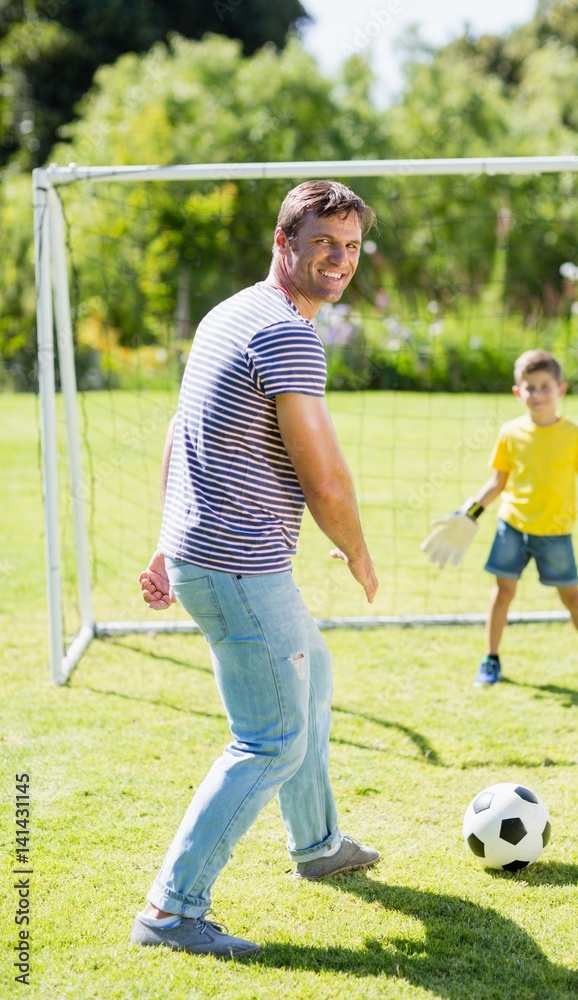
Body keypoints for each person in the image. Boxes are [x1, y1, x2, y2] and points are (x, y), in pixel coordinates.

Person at [131, 181, 380, 958]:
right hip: (240, 569)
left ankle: (317, 844)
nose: (339, 262)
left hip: (211, 555)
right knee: (272, 738)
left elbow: (182, 426)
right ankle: (171, 912)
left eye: (351, 248)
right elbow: (326, 479)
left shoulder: (231, 311)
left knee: (312, 680)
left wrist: (168, 541)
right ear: (285, 244)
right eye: (323, 246)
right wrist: (360, 552)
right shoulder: (286, 333)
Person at [421, 349, 578, 687]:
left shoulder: (576, 435)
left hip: (556, 533)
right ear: (518, 392)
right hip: (513, 528)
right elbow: (497, 482)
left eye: (545, 386)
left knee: (572, 598)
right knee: (502, 593)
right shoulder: (509, 433)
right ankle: (491, 660)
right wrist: (469, 513)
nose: (538, 394)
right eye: (530, 387)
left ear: (560, 389)